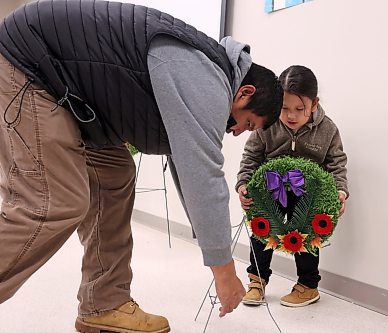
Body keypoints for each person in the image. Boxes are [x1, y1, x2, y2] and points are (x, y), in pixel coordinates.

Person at [0, 1, 283, 332]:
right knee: (55, 202)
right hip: (30, 66)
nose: (236, 132)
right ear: (244, 92)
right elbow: (203, 176)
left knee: (115, 176)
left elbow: (188, 166)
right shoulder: (207, 78)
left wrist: (210, 246)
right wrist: (224, 270)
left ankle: (103, 303)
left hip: (71, 94)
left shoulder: (202, 69)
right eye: (247, 123)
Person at [235, 65, 348, 307]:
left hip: (308, 194)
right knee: (261, 232)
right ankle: (257, 280)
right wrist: (244, 183)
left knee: (308, 235)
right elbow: (251, 156)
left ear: (314, 104)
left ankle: (308, 285)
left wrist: (340, 191)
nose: (291, 115)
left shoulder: (327, 129)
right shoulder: (268, 122)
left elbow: (336, 162)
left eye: (300, 109)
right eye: (285, 108)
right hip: (271, 190)